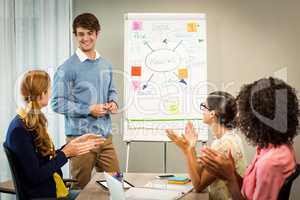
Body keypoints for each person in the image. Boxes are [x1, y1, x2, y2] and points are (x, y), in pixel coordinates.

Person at [5, 70, 104, 199]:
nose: (51, 94)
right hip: (44, 196)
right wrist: (65, 154)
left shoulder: (29, 121)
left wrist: (72, 145)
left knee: (97, 195)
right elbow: (36, 175)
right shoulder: (19, 130)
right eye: (49, 89)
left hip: (51, 191)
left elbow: (43, 160)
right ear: (42, 93)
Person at [198, 77, 298, 200]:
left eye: (245, 111)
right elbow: (247, 192)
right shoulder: (271, 147)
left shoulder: (270, 163)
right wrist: (230, 173)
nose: (239, 116)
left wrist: (229, 177)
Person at [51, 13, 120, 189]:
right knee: (80, 190)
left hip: (105, 138)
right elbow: (57, 103)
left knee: (117, 187)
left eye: (90, 33)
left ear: (97, 33)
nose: (86, 38)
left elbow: (112, 91)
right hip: (80, 140)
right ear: (75, 35)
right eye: (81, 34)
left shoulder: (106, 64)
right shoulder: (66, 68)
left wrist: (113, 102)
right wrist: (89, 109)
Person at [166, 91, 247, 200]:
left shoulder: (223, 144)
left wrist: (187, 150)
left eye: (204, 107)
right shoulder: (231, 138)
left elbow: (198, 185)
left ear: (212, 114)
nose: (202, 110)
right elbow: (200, 173)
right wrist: (191, 148)